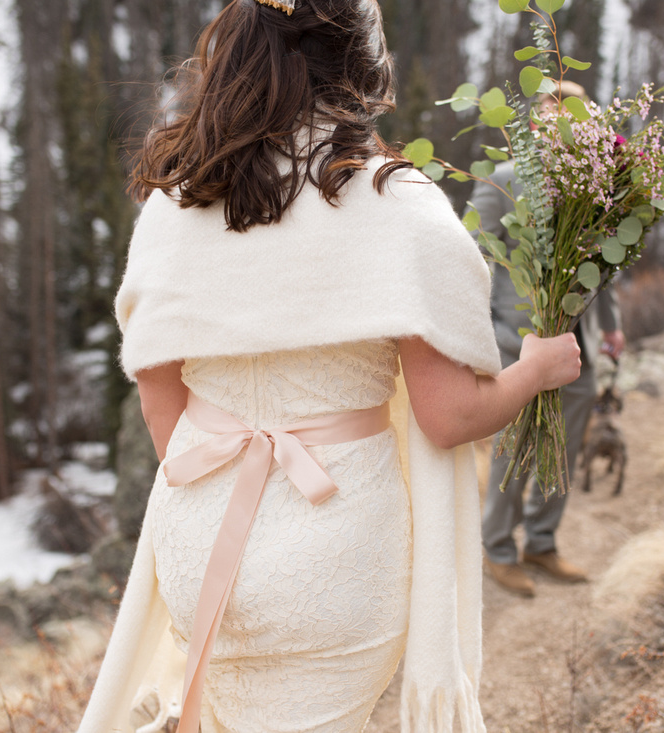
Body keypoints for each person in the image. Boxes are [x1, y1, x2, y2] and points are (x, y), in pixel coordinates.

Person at [76, 2, 581, 732]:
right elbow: (448, 417)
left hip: (193, 535)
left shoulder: (176, 202)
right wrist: (534, 369)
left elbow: (162, 405)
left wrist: (218, 496)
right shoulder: (399, 204)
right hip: (335, 548)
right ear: (362, 66)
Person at [476, 80, 625, 599]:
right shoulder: (501, 180)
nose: (563, 123)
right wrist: (483, 340)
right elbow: (475, 262)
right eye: (553, 113)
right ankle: (497, 548)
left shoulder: (596, 183)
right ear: (537, 122)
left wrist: (610, 326)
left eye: (575, 115)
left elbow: (605, 265)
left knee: (563, 447)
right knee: (513, 447)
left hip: (574, 344)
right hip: (513, 341)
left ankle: (542, 541)